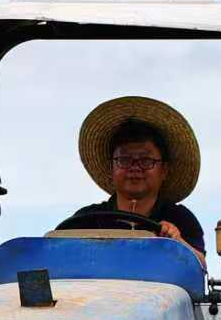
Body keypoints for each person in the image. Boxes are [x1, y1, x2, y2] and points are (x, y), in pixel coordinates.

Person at [71, 95, 205, 255]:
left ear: (164, 170)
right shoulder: (85, 220)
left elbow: (200, 267)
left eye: (146, 160)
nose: (134, 167)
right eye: (124, 159)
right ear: (111, 167)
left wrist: (178, 242)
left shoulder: (181, 219)